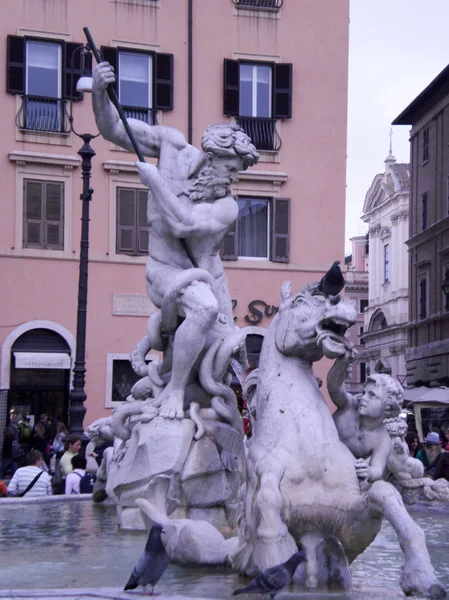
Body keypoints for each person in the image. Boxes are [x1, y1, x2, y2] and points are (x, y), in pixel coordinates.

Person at [92, 62, 258, 421]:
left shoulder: (226, 205)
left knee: (224, 356)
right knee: (202, 309)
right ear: (213, 156)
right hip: (165, 269)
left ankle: (203, 409)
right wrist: (99, 93)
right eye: (232, 168)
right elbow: (114, 128)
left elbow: (182, 223)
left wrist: (154, 182)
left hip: (207, 276)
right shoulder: (170, 145)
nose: (233, 178)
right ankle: (175, 391)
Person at [328, 350, 404, 482]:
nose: (364, 398)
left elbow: (377, 469)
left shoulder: (382, 440)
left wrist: (369, 472)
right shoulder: (350, 406)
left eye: (372, 395)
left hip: (335, 475)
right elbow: (333, 387)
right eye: (365, 392)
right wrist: (341, 364)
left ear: (387, 406)